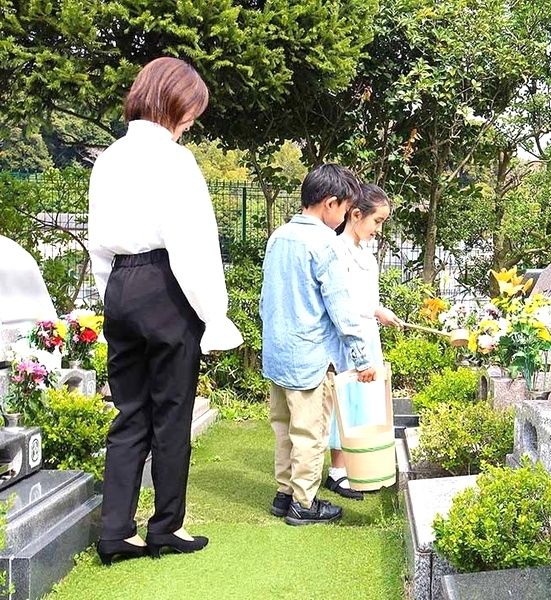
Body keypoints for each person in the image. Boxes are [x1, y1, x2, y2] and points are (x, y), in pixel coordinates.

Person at [88, 57, 243, 564]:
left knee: (129, 411)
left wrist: (109, 295)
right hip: (166, 284)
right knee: (172, 414)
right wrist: (215, 316)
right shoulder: (176, 162)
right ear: (173, 103)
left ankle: (115, 533)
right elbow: (191, 245)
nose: (190, 122)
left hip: (120, 286)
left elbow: (97, 244)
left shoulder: (109, 157)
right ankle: (164, 529)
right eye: (190, 112)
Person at [260, 164, 376, 526]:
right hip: (310, 357)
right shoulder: (325, 244)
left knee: (283, 428)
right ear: (330, 204)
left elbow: (267, 301)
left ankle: (284, 494)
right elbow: (342, 310)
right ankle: (304, 505)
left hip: (278, 353)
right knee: (310, 433)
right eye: (343, 209)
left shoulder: (279, 236)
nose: (343, 217)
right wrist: (362, 358)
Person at [326, 183, 402, 500]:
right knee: (346, 400)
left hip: (368, 334)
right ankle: (337, 471)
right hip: (348, 339)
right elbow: (340, 303)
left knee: (363, 402)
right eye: (377, 221)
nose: (378, 229)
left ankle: (359, 464)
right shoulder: (335, 251)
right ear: (356, 214)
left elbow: (367, 299)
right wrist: (370, 314)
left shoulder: (365, 256)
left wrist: (381, 311)